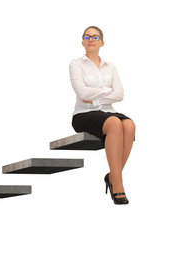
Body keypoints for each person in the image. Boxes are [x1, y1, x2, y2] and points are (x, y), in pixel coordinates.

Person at [69, 26, 136, 205]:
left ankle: (112, 176)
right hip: (84, 113)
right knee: (114, 123)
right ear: (83, 42)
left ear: (102, 42)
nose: (91, 39)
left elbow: (120, 94)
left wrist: (97, 96)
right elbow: (82, 93)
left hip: (107, 110)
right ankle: (118, 184)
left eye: (95, 37)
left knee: (129, 125)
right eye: (87, 37)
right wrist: (106, 92)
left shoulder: (110, 66)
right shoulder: (76, 64)